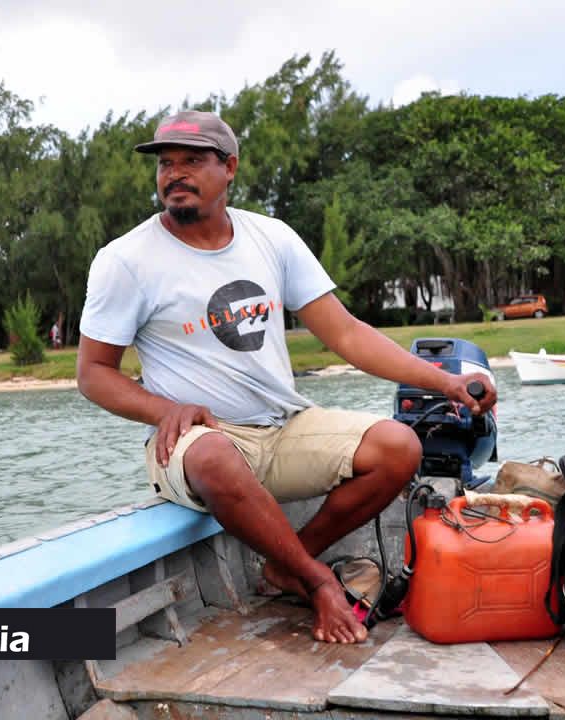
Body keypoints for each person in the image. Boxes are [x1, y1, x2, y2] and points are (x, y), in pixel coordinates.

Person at [75, 110, 496, 645]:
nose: (174, 174)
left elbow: (344, 334)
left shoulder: (270, 237)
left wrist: (446, 383)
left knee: (399, 446)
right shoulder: (125, 260)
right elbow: (92, 374)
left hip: (281, 427)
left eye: (192, 161)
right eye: (165, 163)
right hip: (199, 444)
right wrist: (164, 410)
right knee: (211, 454)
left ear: (229, 168)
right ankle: (317, 578)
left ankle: (284, 567)